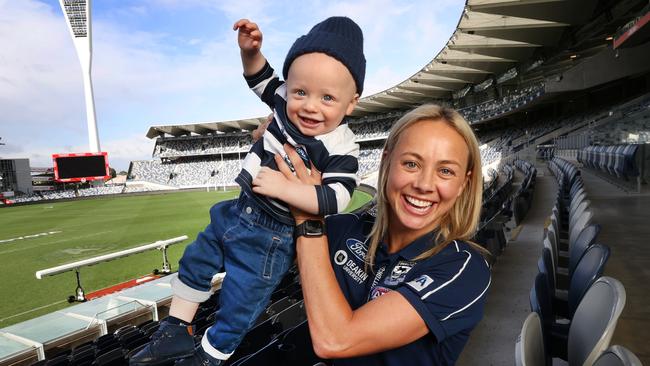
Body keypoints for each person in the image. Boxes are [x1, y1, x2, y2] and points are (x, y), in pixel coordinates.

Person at [130, 16, 365, 366]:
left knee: (240, 303)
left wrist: (286, 188)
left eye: (328, 97)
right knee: (195, 259)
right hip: (238, 209)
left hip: (273, 236)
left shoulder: (342, 146)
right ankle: (176, 328)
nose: (310, 105)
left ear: (351, 103)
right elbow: (259, 77)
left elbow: (334, 199)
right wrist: (250, 51)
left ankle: (209, 357)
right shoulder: (283, 101)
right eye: (301, 91)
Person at [275, 104, 491, 365]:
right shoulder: (343, 229)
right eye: (411, 163)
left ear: (463, 185)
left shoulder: (463, 269)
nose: (423, 185)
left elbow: (335, 339)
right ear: (386, 160)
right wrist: (272, 148)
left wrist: (309, 218)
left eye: (445, 171)